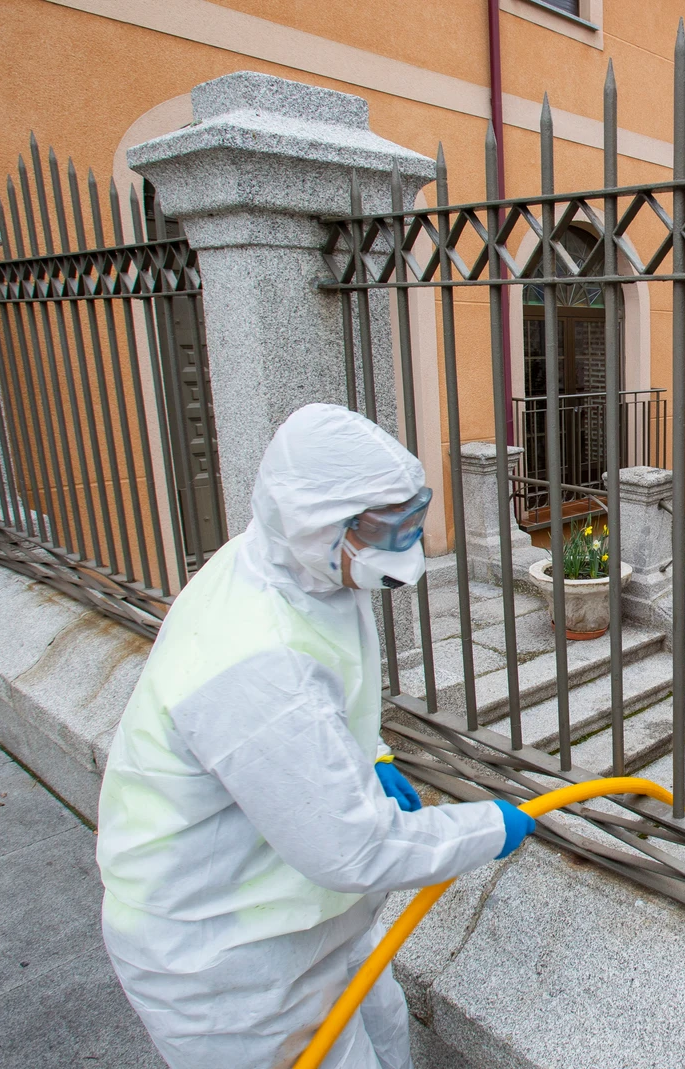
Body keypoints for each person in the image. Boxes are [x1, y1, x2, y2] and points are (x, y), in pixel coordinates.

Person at [96, 403, 537, 1069]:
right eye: (386, 529)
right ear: (315, 520)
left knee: (386, 1032)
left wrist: (373, 757)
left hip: (308, 920)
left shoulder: (305, 570)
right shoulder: (251, 658)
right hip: (227, 963)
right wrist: (488, 828)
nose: (404, 548)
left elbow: (335, 694)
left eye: (410, 522)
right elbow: (354, 848)